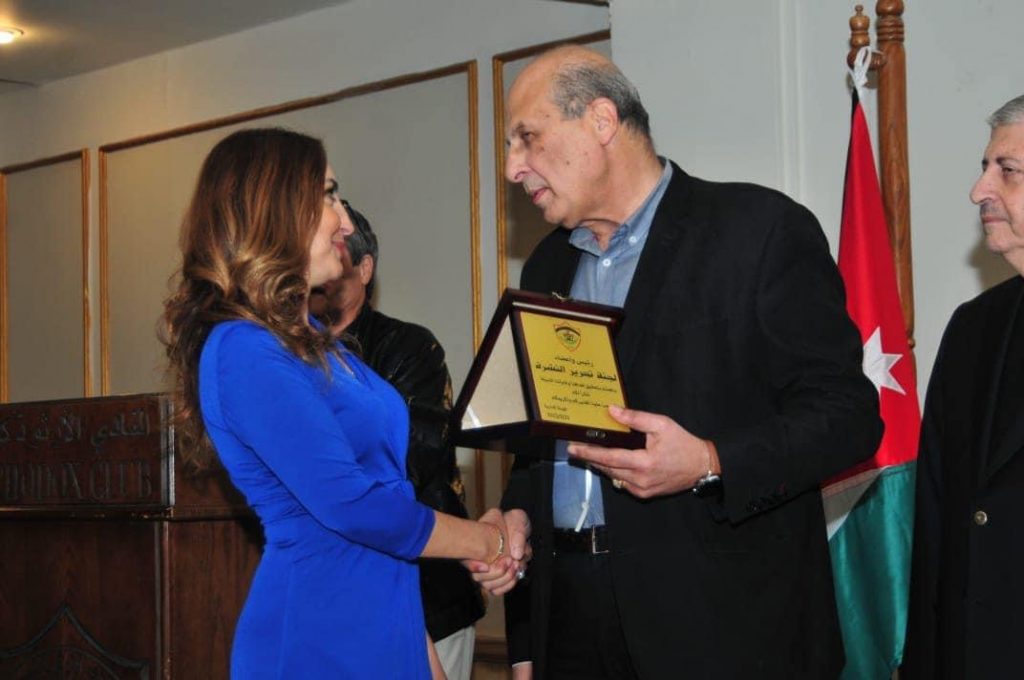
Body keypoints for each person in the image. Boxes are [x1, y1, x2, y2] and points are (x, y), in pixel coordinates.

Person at [484, 45, 883, 678]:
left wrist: (709, 461)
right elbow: (548, 442)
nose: (512, 168)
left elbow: (848, 416)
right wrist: (518, 514)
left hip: (719, 626)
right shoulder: (547, 267)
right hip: (571, 620)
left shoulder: (758, 231)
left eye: (527, 138)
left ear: (601, 121)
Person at [161, 127, 521, 678]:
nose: (346, 222)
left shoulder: (317, 343)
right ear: (275, 209)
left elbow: (384, 503)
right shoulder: (242, 349)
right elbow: (353, 506)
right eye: (329, 196)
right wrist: (485, 540)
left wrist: (423, 652)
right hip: (317, 639)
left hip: (386, 622)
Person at [310, 206, 484, 680]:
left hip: (428, 596)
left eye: (337, 250)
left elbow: (406, 467)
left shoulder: (410, 348)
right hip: (327, 597)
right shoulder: (288, 351)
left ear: (365, 269)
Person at [903, 95, 1024, 679]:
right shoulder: (974, 326)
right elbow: (936, 515)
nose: (979, 191)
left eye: (1007, 171)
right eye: (984, 168)